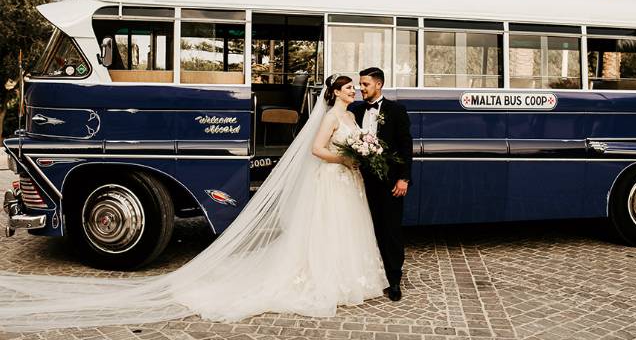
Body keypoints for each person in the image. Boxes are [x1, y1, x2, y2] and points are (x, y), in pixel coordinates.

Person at [0, 75, 388, 332]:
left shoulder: (351, 115)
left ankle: (339, 271)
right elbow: (320, 149)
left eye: (356, 88)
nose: (354, 92)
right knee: (325, 225)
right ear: (335, 92)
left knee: (338, 229)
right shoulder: (334, 117)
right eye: (349, 88)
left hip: (342, 182)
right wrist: (346, 158)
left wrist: (357, 155)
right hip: (334, 176)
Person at [353, 67, 413, 302]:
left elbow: (406, 147)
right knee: (365, 229)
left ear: (378, 84)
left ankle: (394, 280)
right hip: (359, 181)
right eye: (359, 84)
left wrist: (404, 178)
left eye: (365, 84)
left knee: (390, 230)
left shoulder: (397, 111)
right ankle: (368, 277)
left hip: (390, 182)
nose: (361, 88)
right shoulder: (354, 110)